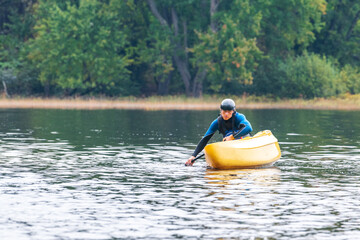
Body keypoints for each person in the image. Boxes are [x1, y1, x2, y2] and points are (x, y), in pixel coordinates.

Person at [185, 99, 253, 166]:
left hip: (244, 141)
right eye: (224, 111)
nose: (226, 114)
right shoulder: (217, 122)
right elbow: (205, 139)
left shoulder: (239, 117)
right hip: (229, 146)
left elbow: (249, 128)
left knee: (230, 134)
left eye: (229, 111)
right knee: (227, 135)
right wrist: (193, 156)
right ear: (221, 110)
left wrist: (232, 137)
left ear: (233, 111)